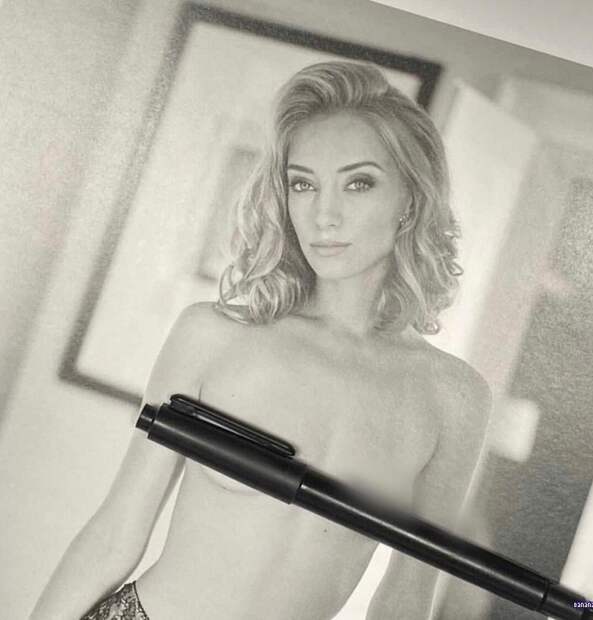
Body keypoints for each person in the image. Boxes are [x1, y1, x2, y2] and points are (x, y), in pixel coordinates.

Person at [31, 61, 491, 620]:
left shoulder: (454, 398)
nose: (324, 214)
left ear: (410, 200)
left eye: (358, 183)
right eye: (303, 184)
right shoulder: (213, 335)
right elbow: (115, 532)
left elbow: (407, 597)